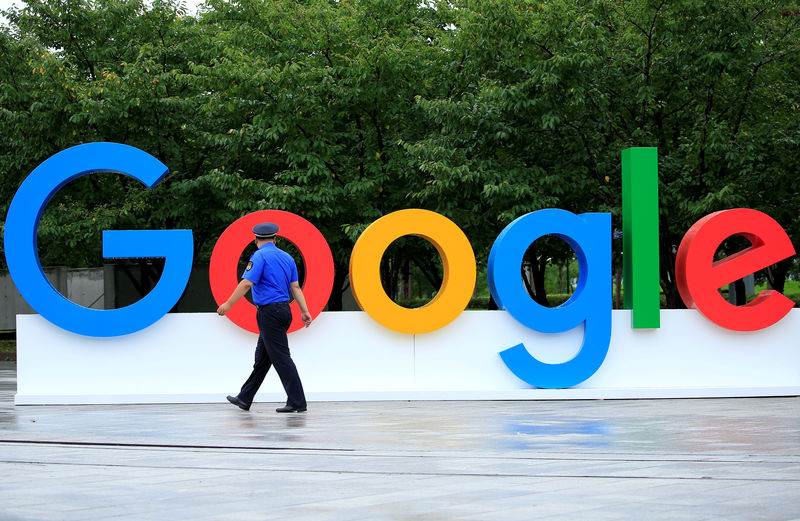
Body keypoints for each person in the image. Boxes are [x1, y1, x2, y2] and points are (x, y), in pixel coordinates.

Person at [217, 222, 312, 413]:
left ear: (255, 240)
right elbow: (295, 288)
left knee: (281, 358)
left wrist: (227, 304)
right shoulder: (287, 257)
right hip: (285, 311)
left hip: (269, 313)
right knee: (263, 358)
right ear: (275, 239)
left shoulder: (259, 256)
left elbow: (246, 283)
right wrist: (304, 311)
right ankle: (245, 397)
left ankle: (298, 401)